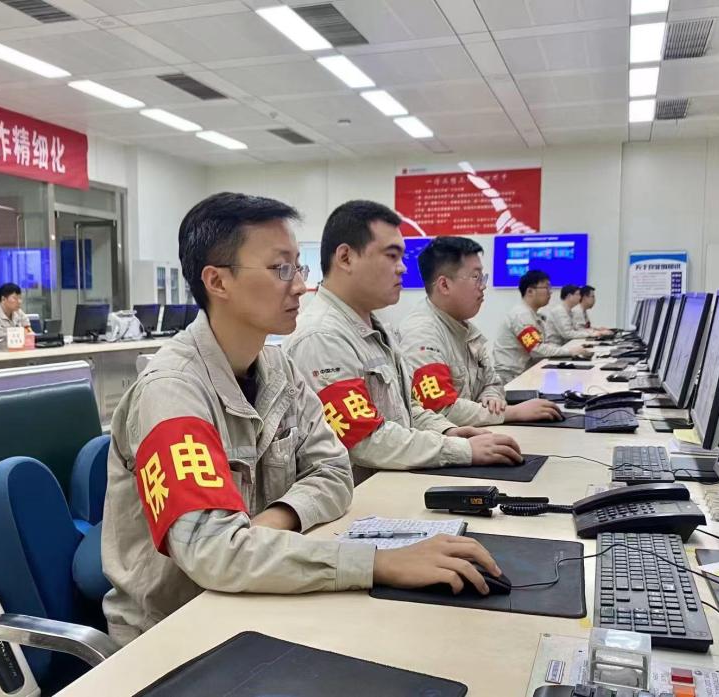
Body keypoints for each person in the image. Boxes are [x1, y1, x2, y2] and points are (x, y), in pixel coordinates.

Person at [101, 192, 504, 644]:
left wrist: (274, 521)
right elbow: (213, 552)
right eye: (280, 269)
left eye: (299, 268)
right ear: (218, 281)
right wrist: (376, 562)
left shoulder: (279, 369)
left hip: (257, 595)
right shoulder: (171, 391)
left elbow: (334, 471)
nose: (299, 286)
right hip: (175, 629)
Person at [283, 200, 522, 482]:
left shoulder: (375, 330)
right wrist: (460, 450)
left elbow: (408, 408)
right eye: (391, 256)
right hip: (361, 498)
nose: (403, 269)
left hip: (394, 484)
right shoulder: (322, 337)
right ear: (346, 258)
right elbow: (365, 438)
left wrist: (446, 431)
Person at [397, 237, 561, 426]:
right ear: (444, 285)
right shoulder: (421, 334)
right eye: (476, 277)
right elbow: (440, 408)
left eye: (483, 277)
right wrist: (513, 412)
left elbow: (492, 381)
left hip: (476, 433)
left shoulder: (465, 328)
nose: (483, 285)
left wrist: (492, 397)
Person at [493, 270, 591, 384]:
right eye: (546, 287)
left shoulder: (533, 315)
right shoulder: (521, 315)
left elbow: (540, 346)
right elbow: (536, 349)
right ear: (530, 291)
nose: (550, 292)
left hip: (524, 373)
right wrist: (569, 351)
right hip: (512, 378)